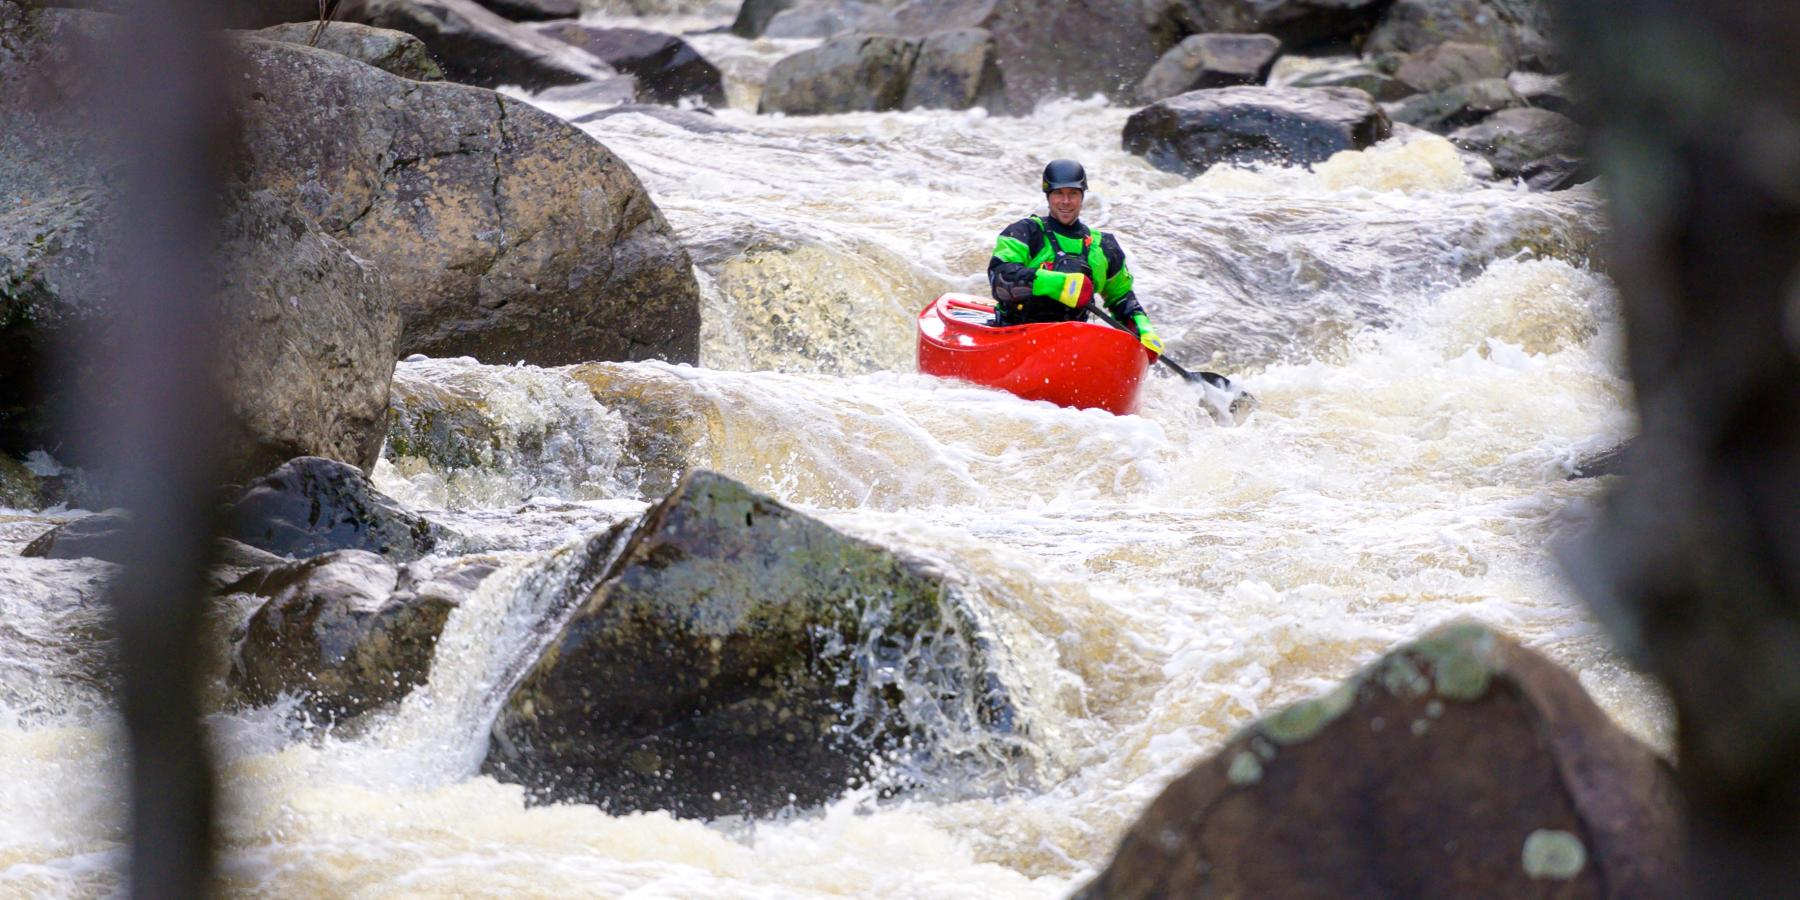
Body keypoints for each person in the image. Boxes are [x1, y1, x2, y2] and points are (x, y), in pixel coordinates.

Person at [986, 159, 1164, 358]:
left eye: (1073, 194)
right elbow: (999, 279)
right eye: (1058, 194)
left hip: (1070, 347)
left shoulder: (1104, 247)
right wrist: (1059, 285)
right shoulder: (1026, 232)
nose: (1065, 201)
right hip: (1014, 335)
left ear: (1082, 196)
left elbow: (1121, 298)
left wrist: (1143, 328)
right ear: (1048, 197)